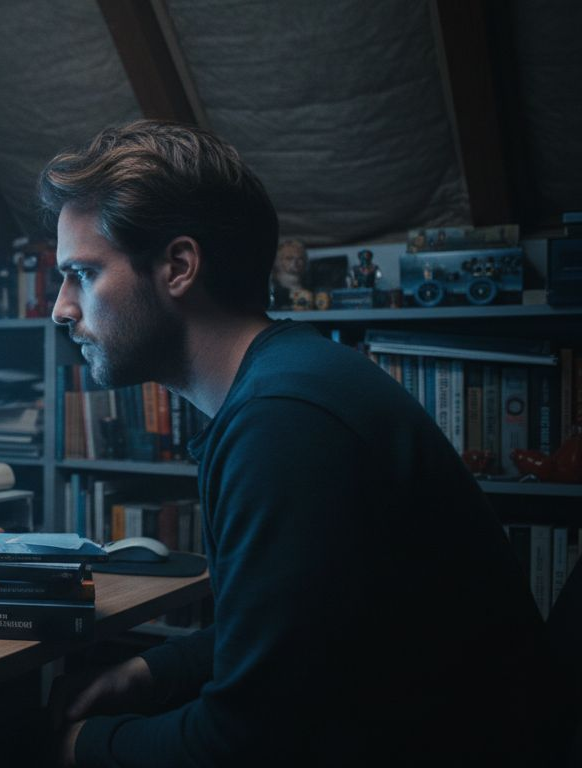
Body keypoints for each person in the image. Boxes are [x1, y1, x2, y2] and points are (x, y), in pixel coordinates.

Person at [39, 120, 558, 766]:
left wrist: (78, 747)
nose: (61, 308)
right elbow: (287, 634)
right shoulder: (287, 384)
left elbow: (243, 745)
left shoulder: (282, 426)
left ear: (178, 266)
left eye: (82, 274)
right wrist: (144, 675)